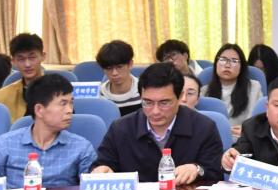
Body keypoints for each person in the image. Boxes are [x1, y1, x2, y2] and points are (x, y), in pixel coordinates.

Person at [92, 62, 223, 183]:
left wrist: (197, 169)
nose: (155, 111)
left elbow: (216, 173)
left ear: (179, 97)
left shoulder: (204, 128)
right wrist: (102, 170)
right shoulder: (120, 129)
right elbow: (102, 165)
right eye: (148, 102)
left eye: (164, 103)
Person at [0, 73, 95, 188]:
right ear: (39, 110)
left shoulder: (81, 147)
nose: (70, 110)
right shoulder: (4, 145)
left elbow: (92, 187)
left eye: (71, 103)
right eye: (63, 104)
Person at [205, 43, 262, 138]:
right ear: (216, 63)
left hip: (243, 139)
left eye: (234, 61)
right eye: (223, 60)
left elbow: (259, 120)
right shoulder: (204, 91)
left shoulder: (253, 88)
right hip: (213, 140)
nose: (227, 65)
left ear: (241, 67)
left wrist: (248, 131)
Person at [0, 33, 46, 122]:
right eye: (21, 59)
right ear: (13, 61)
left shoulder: (59, 90)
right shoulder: (1, 96)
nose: (27, 64)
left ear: (43, 56)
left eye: (32, 57)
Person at [95, 40, 141, 116]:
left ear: (130, 64)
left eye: (119, 67)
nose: (114, 73)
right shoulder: (98, 95)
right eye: (109, 68)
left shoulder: (145, 90)